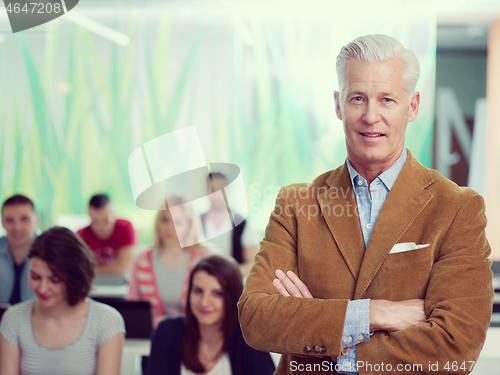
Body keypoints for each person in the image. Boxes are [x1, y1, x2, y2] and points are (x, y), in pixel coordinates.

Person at [238, 34, 494, 374]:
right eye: (357, 98)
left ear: (412, 106)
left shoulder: (457, 209)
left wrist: (325, 341)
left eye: (387, 99)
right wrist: (374, 313)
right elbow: (256, 318)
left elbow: (455, 345)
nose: (371, 116)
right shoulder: (296, 204)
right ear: (338, 105)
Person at [0, 226, 125, 375]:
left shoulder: (106, 321)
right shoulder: (13, 320)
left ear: (75, 277)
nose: (43, 289)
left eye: (54, 280)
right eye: (35, 277)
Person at [147, 255, 276, 375]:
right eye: (198, 291)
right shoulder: (166, 333)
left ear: (235, 297)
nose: (204, 302)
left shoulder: (250, 337)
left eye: (217, 293)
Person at [128, 196, 210, 328]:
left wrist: (166, 323)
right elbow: (132, 309)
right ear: (158, 222)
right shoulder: (142, 260)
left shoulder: (204, 259)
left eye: (178, 222)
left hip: (195, 335)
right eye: (165, 220)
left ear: (189, 225)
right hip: (152, 336)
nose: (169, 227)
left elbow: (210, 309)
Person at [201, 172, 259, 276]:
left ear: (228, 190)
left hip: (234, 285)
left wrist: (226, 276)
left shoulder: (243, 224)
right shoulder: (195, 222)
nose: (217, 194)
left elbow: (253, 263)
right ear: (206, 192)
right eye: (212, 190)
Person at [78, 194, 136, 275]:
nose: (101, 227)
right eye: (95, 221)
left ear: (114, 215)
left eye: (105, 221)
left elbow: (124, 268)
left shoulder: (125, 228)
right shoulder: (81, 235)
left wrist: (91, 270)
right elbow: (78, 269)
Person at [0, 194, 38, 304]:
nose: (17, 227)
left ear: (37, 220)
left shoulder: (52, 253)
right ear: (2, 223)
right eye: (10, 220)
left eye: (24, 219)